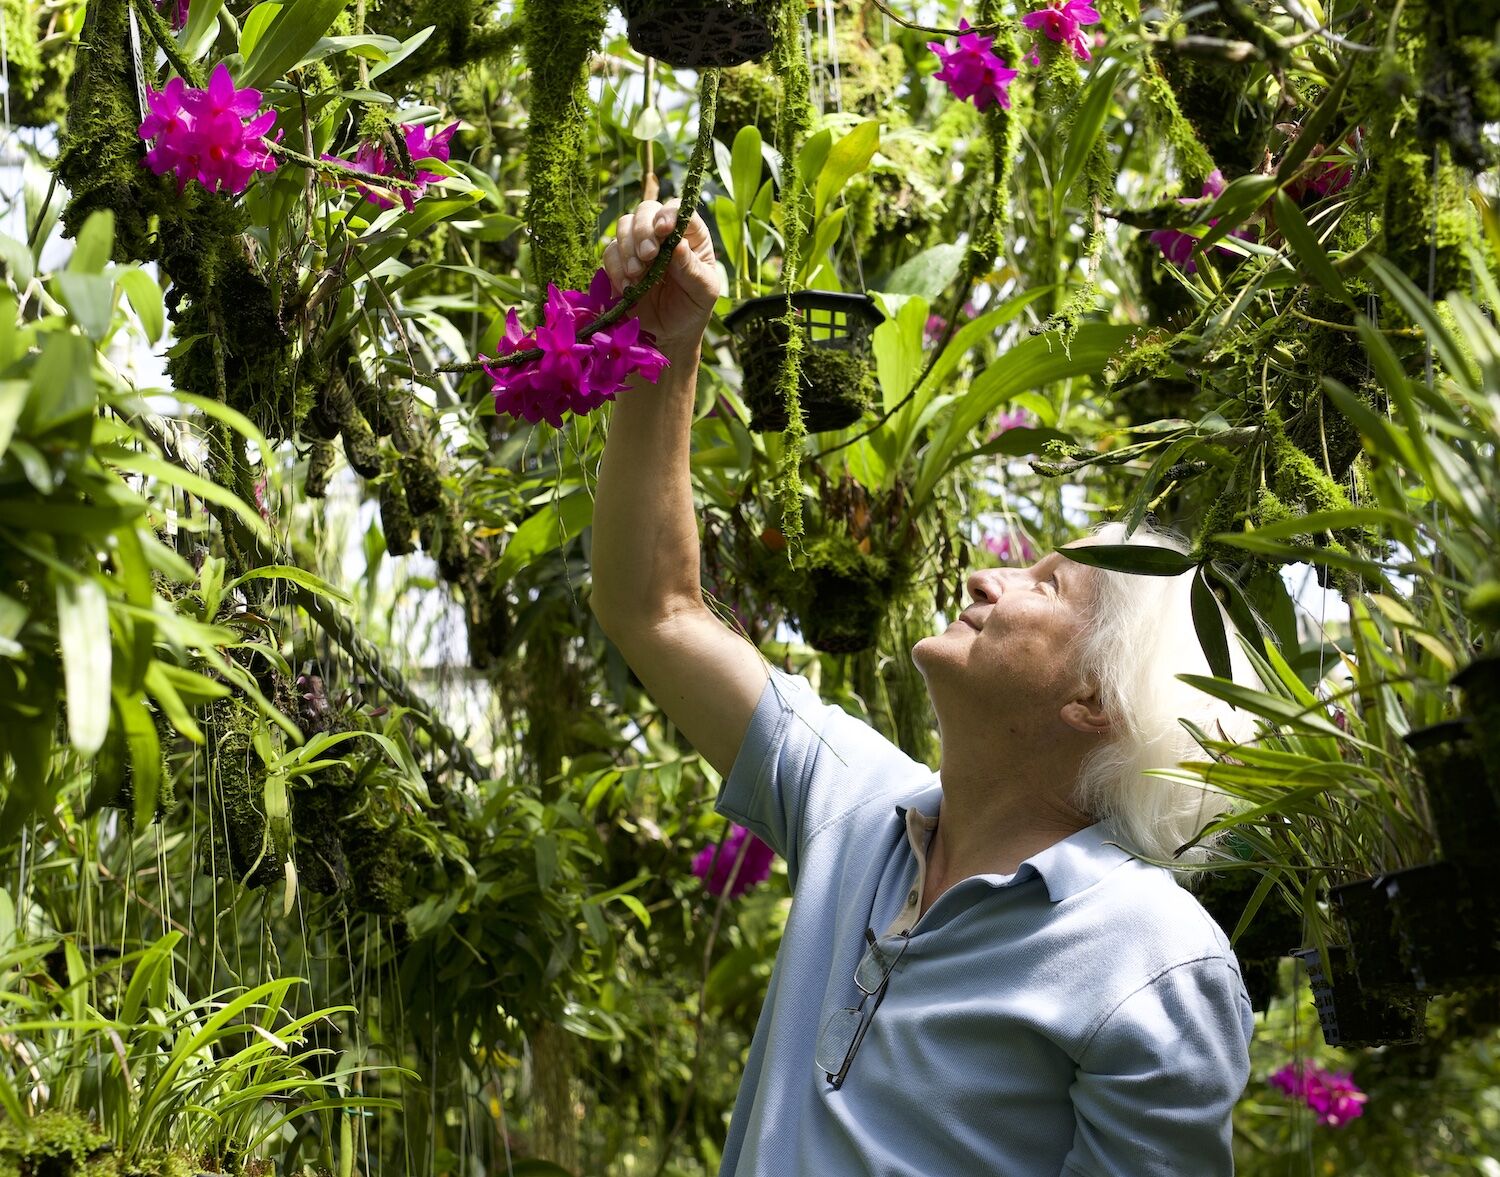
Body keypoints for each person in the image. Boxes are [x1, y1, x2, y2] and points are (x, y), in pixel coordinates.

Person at [590, 199, 1257, 1177]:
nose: (990, 578)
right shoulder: (856, 805)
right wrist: (667, 344)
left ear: (1097, 700)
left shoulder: (1152, 956)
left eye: (1047, 586)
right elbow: (656, 607)